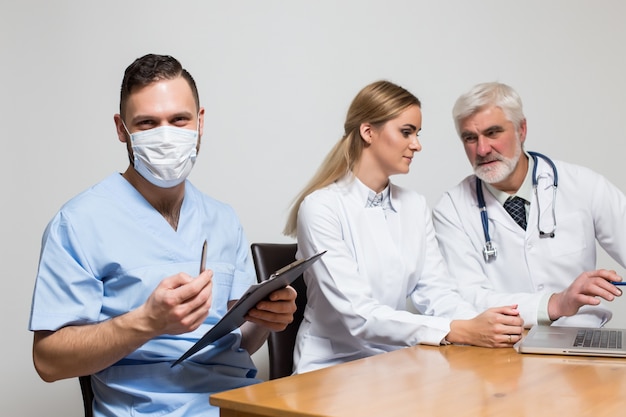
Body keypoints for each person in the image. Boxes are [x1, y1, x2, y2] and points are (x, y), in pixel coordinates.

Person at [29, 54, 297, 417]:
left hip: (238, 405)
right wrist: (147, 322)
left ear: (200, 121)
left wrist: (265, 320)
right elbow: (48, 362)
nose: (166, 135)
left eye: (179, 119)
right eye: (147, 123)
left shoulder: (222, 218)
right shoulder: (78, 223)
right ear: (121, 129)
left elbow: (238, 345)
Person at [283, 80, 524, 374]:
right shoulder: (320, 208)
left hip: (393, 364)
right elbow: (359, 316)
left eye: (417, 134)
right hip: (330, 369)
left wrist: (487, 326)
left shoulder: (414, 205)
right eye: (406, 132)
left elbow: (437, 293)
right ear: (368, 131)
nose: (417, 145)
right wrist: (459, 330)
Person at [433, 81, 624, 329]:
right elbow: (466, 298)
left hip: (580, 340)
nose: (482, 149)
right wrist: (553, 304)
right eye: (470, 138)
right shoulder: (452, 209)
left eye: (493, 133)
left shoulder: (583, 185)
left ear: (521, 130)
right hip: (501, 348)